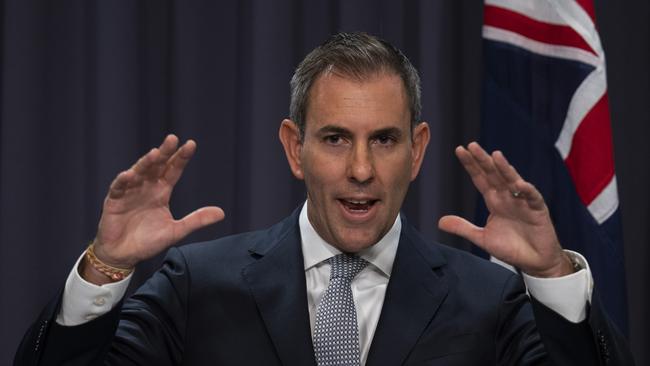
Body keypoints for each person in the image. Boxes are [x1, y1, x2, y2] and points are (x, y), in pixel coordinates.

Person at [15, 32, 632, 365]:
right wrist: (107, 264)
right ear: (294, 148)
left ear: (417, 151)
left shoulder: (491, 299)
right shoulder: (195, 284)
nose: (361, 169)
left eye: (384, 140)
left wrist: (550, 275)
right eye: (336, 138)